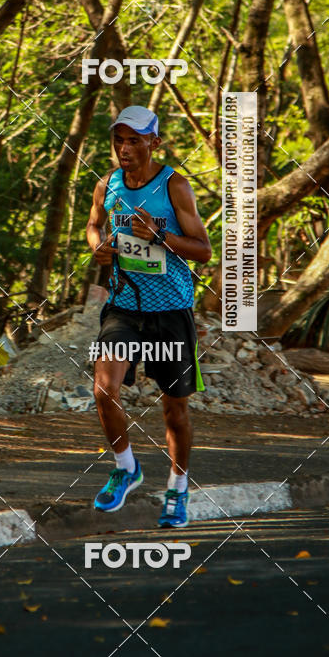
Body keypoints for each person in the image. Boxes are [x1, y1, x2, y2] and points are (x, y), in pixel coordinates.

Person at [86, 105, 212, 527]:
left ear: (154, 143)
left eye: (134, 140)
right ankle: (126, 467)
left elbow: (204, 251)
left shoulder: (174, 185)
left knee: (174, 410)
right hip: (124, 307)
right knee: (104, 390)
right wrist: (97, 246)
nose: (124, 148)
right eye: (118, 139)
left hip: (171, 311)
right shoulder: (107, 185)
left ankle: (177, 490)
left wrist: (160, 236)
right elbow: (92, 225)